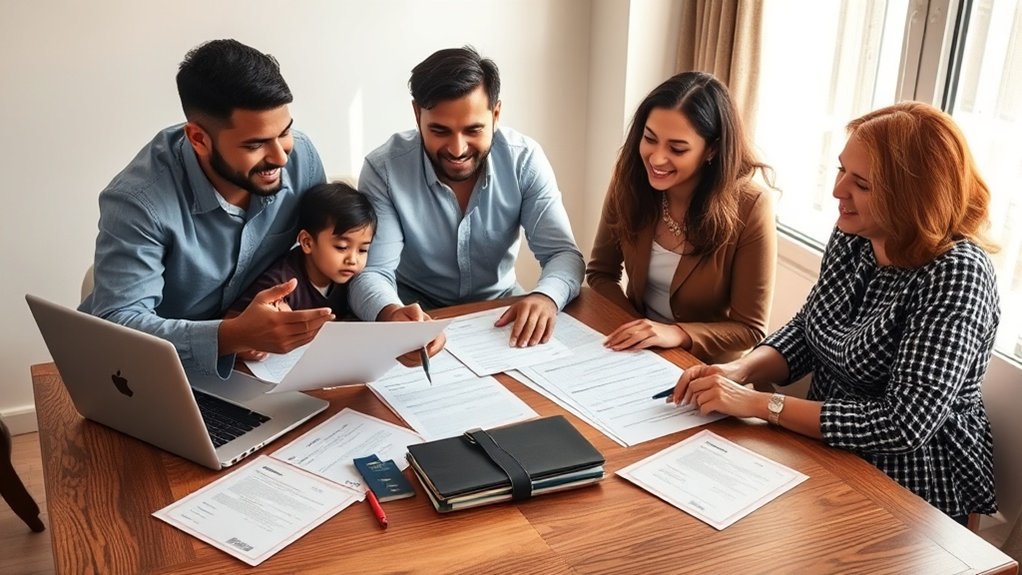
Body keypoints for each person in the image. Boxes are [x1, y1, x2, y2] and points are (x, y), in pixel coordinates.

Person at [670, 101, 999, 523]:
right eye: (842, 170)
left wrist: (757, 404)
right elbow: (809, 329)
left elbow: (903, 424)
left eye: (861, 183)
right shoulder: (855, 233)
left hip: (909, 486)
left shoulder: (958, 273)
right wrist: (740, 370)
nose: (838, 191)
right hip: (825, 447)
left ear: (912, 197)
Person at [79, 39, 331, 378]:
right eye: (255, 145)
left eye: (284, 132)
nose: (281, 157)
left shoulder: (302, 157)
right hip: (144, 374)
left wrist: (278, 308)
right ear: (199, 139)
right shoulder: (137, 201)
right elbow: (119, 326)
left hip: (253, 366)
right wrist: (233, 334)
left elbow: (319, 248)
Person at [348, 46, 585, 349]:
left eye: (473, 130)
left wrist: (546, 296)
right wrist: (392, 315)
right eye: (440, 131)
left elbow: (562, 254)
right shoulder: (384, 169)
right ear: (417, 114)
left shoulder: (524, 160)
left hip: (500, 311)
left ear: (496, 114)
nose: (457, 149)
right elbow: (373, 271)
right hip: (416, 314)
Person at [586, 71, 776, 364]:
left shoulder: (751, 206)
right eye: (649, 139)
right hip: (636, 353)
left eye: (677, 148)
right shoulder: (630, 180)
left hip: (706, 366)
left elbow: (749, 329)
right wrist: (635, 329)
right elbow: (601, 273)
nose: (656, 158)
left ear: (712, 149)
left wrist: (676, 334)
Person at [227, 182, 376, 360]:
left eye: (363, 250)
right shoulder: (282, 282)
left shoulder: (352, 281)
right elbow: (233, 323)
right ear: (307, 242)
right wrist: (249, 344)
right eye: (342, 247)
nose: (353, 260)